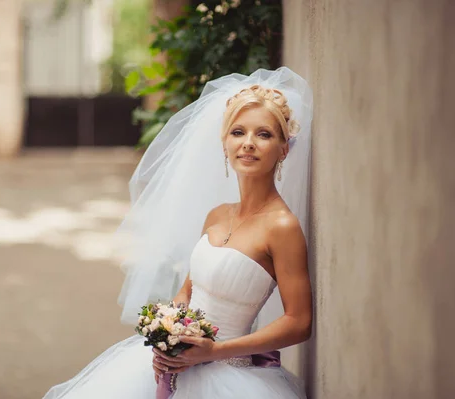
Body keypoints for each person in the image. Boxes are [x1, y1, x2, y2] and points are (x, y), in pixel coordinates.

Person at [43, 67, 314, 399]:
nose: (248, 144)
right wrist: (167, 338)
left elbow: (299, 322)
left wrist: (213, 351)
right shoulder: (217, 215)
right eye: (238, 132)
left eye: (264, 134)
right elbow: (187, 290)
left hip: (229, 377)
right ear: (225, 142)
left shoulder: (282, 227)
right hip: (178, 364)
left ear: (284, 149)